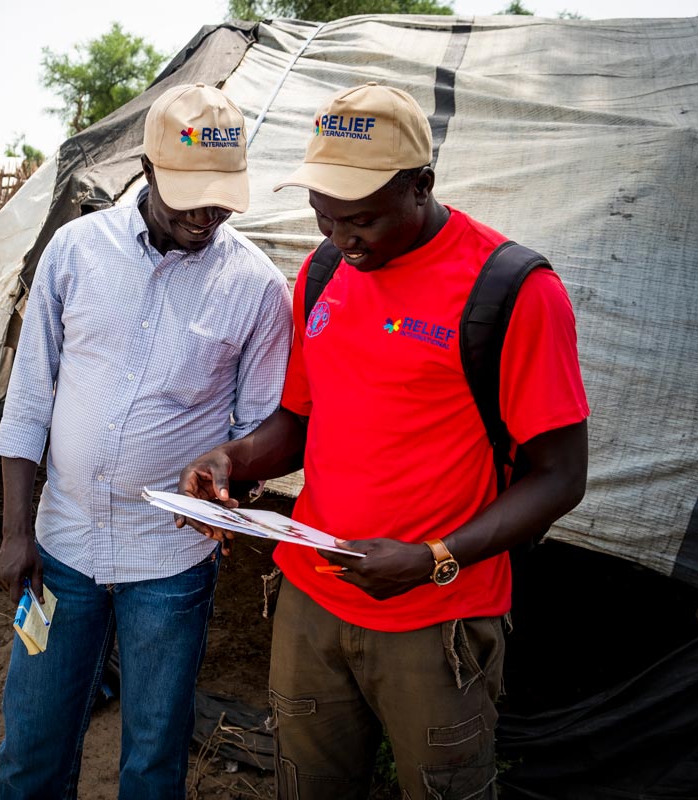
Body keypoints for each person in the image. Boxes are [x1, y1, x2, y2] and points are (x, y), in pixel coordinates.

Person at [177, 82, 590, 799]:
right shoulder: (326, 271)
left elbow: (560, 477)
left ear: (422, 184)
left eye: (361, 219)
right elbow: (301, 423)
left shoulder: (512, 288)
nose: (341, 238)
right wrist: (235, 459)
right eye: (324, 217)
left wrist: (433, 558)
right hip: (311, 599)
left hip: (436, 617)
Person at [0, 82, 292, 799]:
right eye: (190, 192)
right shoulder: (75, 252)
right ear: (148, 170)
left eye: (222, 194)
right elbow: (31, 398)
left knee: (155, 753)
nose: (208, 212)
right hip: (61, 549)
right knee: (33, 740)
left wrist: (230, 491)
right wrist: (14, 532)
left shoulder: (254, 285)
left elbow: (258, 432)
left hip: (171, 565)